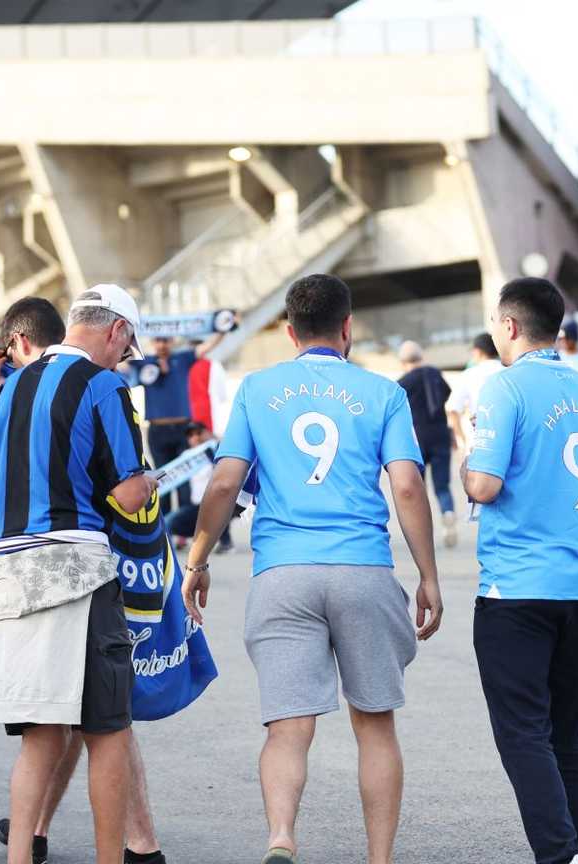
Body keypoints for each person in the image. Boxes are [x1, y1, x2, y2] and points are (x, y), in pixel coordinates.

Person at [183, 273, 443, 864]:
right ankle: (379, 859)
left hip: (282, 573)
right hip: (363, 571)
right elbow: (406, 484)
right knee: (374, 724)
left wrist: (196, 560)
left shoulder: (257, 388)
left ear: (289, 331)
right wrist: (427, 575)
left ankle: (281, 837)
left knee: (288, 727)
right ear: (348, 329)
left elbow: (225, 481)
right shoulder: (383, 393)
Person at [0, 295, 179, 864]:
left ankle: (19, 857)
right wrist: (155, 478)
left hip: (5, 570)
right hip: (74, 570)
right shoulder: (103, 387)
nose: (122, 362)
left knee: (40, 736)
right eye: (125, 350)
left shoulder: (9, 389)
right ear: (118, 331)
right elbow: (127, 492)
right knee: (107, 729)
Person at [461, 277, 578, 864]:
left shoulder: (505, 389)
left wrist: (471, 456)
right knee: (568, 730)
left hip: (517, 585)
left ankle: (559, 853)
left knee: (523, 729)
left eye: (498, 323)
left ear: (511, 326)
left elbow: (484, 485)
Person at [128, 333, 221, 514]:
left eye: (165, 340)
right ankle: (167, 529)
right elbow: (121, 361)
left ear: (172, 341)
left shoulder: (182, 358)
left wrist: (222, 326)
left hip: (181, 427)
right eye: (158, 340)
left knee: (184, 480)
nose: (162, 344)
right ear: (153, 342)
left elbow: (206, 347)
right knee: (161, 479)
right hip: (157, 429)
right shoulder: (144, 362)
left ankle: (182, 529)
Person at [397, 340, 458, 547]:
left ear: (402, 361)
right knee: (442, 485)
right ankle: (448, 512)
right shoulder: (434, 373)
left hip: (416, 438)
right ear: (421, 356)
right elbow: (447, 395)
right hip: (440, 433)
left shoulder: (402, 383)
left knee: (418, 487)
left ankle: (422, 531)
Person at [163, 422, 233, 553]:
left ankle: (225, 541)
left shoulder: (217, 451)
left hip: (215, 502)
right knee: (168, 522)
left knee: (221, 506)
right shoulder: (186, 457)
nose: (195, 437)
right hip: (195, 505)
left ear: (206, 432)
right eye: (190, 435)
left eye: (198, 433)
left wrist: (213, 442)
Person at [447, 332, 503, 452]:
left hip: (480, 442)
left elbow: (453, 410)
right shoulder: (509, 370)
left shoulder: (469, 374)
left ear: (478, 351)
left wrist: (463, 440)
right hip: (508, 439)